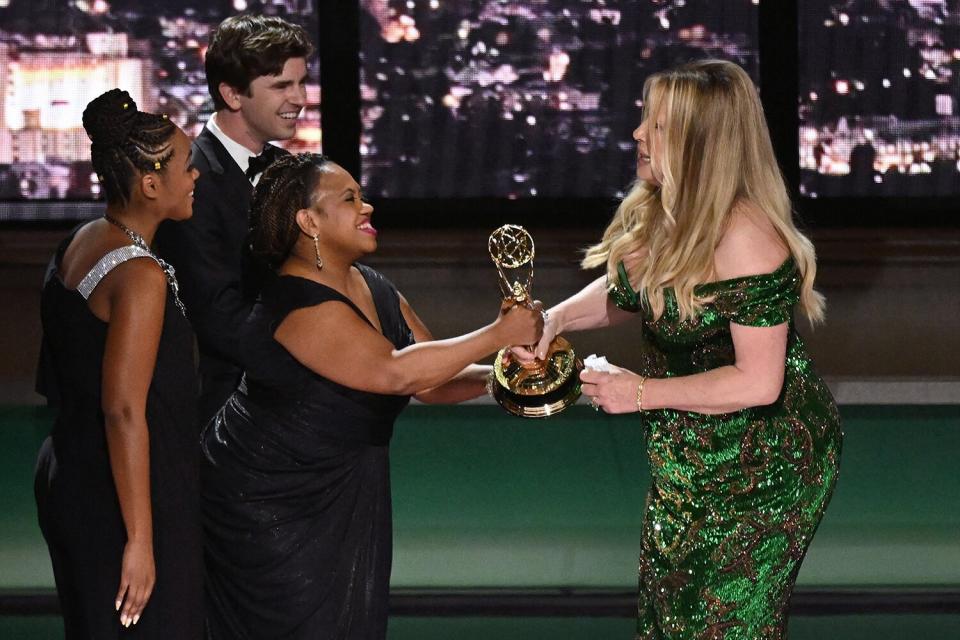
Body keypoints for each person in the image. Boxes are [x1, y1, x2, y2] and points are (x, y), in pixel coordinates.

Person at [515, 60, 843, 638]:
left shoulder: (746, 238)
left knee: (724, 624)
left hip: (761, 467)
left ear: (703, 142)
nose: (639, 134)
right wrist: (555, 317)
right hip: (687, 456)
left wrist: (638, 391)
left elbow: (757, 382)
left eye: (658, 125)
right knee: (670, 616)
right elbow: (626, 291)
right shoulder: (672, 210)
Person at [201, 153, 543, 639]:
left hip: (345, 488)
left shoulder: (375, 287)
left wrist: (508, 373)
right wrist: (497, 334)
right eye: (350, 199)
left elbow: (431, 378)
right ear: (308, 221)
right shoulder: (296, 303)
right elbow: (394, 372)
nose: (368, 208)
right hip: (266, 505)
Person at [34, 89, 202, 638]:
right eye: (186, 165)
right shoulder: (139, 276)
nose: (195, 175)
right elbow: (123, 411)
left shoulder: (81, 240)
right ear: (151, 185)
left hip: (71, 472)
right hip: (121, 497)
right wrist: (140, 540)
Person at [155, 15, 313, 423]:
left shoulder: (292, 171)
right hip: (228, 416)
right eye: (282, 85)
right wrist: (322, 354)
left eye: (301, 82)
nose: (300, 98)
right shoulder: (189, 181)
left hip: (300, 406)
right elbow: (216, 316)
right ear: (232, 94)